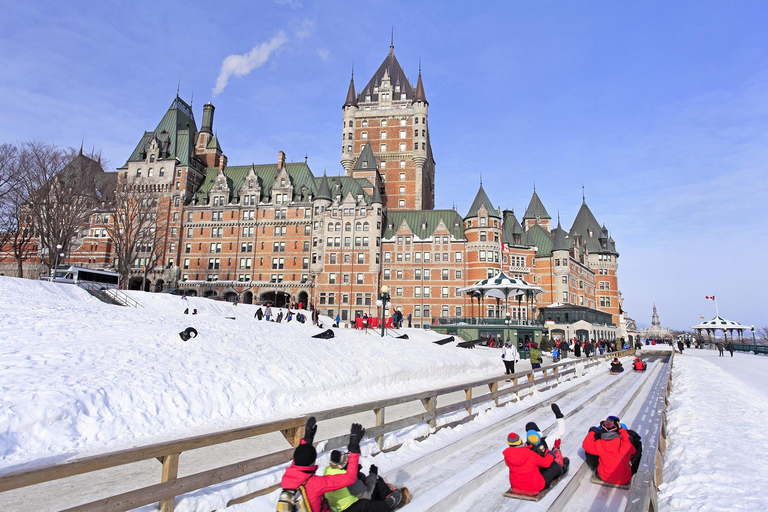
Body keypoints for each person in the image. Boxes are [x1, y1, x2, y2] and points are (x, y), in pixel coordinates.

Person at [279, 418, 366, 512]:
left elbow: (300, 459)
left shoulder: (289, 479)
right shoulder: (315, 484)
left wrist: (307, 439)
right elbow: (350, 478)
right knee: (365, 505)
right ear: (313, 462)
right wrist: (354, 448)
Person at [503, 404, 568, 496]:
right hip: (535, 483)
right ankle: (562, 468)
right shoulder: (543, 443)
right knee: (556, 466)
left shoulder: (514, 453)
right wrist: (559, 416)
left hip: (517, 484)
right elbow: (560, 431)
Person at [323, 451, 403, 511]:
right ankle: (388, 504)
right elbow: (367, 495)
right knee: (376, 481)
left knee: (363, 478)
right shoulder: (346, 478)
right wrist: (373, 474)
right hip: (350, 507)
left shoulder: (328, 471)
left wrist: (356, 473)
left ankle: (382, 501)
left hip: (338, 507)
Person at [582, 417, 637, 486]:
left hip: (604, 477)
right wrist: (621, 430)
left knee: (590, 450)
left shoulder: (599, 444)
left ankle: (597, 468)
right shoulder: (626, 445)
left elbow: (586, 444)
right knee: (634, 450)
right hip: (624, 480)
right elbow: (633, 450)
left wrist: (592, 432)